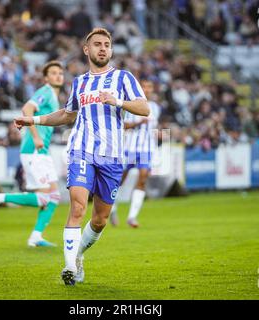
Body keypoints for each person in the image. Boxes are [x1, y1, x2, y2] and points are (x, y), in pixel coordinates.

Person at [14, 28, 149, 285]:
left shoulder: (123, 78)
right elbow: (67, 114)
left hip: (112, 158)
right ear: (86, 50)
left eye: (107, 44)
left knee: (100, 220)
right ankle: (68, 267)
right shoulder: (79, 83)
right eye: (97, 44)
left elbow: (144, 109)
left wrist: (118, 102)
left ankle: (77, 256)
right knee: (77, 207)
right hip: (81, 151)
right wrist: (31, 119)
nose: (103, 48)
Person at [0, 61, 64, 248]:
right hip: (34, 150)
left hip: (42, 152)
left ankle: (36, 236)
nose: (58, 75)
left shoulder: (53, 95)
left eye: (60, 73)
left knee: (55, 196)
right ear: (46, 78)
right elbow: (27, 109)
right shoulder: (45, 91)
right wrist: (35, 136)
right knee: (45, 198)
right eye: (53, 73)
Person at [109, 79, 160, 228]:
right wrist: (138, 123)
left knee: (143, 179)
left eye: (149, 86)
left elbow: (153, 128)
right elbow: (122, 125)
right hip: (128, 149)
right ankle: (112, 209)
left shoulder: (155, 107)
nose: (147, 89)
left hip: (146, 149)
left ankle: (132, 217)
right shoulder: (130, 104)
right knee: (119, 180)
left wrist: (158, 135)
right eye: (144, 86)